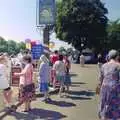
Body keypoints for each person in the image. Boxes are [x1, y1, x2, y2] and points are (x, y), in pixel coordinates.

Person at [98, 49, 120, 120]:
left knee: (104, 104)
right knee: (113, 107)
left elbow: (100, 79)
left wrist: (100, 87)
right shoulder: (118, 65)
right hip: (114, 88)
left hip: (104, 88)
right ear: (117, 57)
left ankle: (104, 117)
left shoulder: (104, 65)